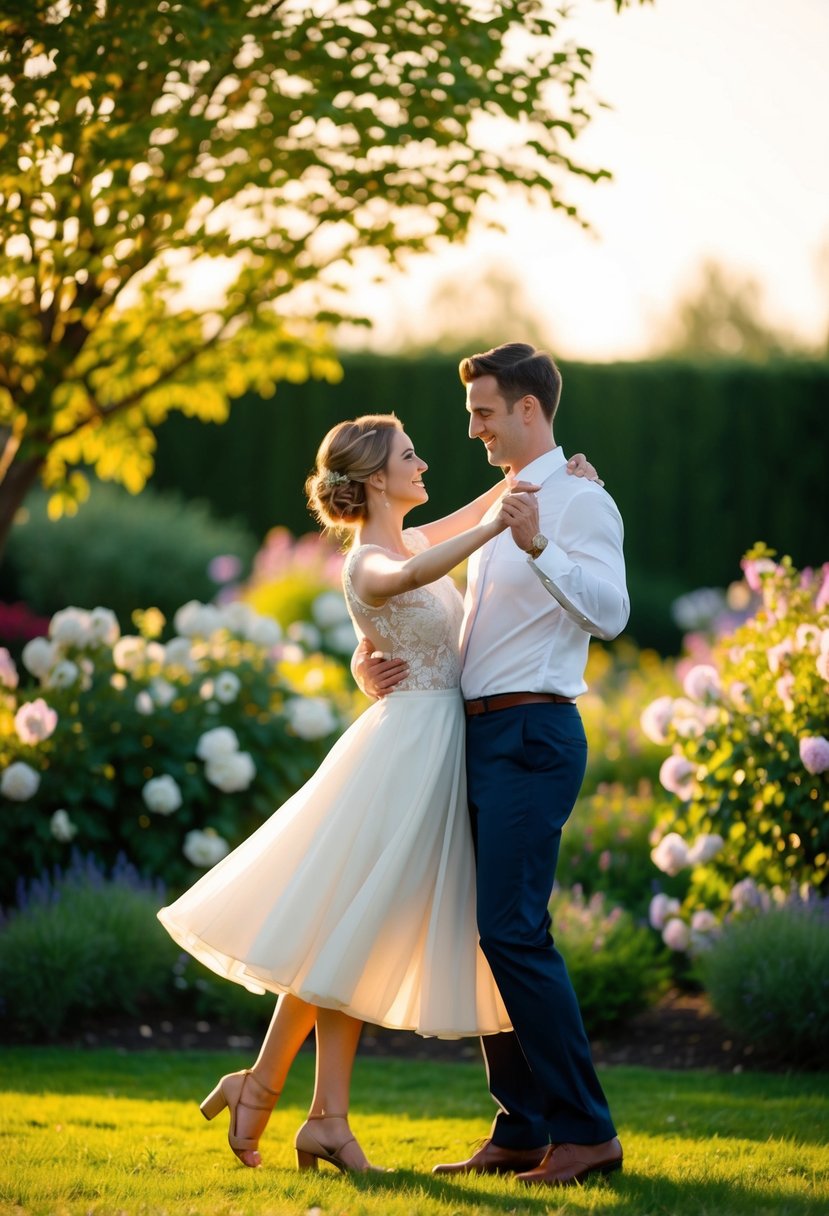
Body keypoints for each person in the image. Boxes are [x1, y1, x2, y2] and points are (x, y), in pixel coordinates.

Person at [157, 412, 597, 1174]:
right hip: (404, 755)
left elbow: (484, 506)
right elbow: (412, 579)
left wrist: (558, 491)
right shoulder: (369, 560)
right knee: (351, 926)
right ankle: (289, 1099)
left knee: (349, 928)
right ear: (372, 480)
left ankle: (287, 1097)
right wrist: (502, 526)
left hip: (435, 748)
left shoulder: (412, 537)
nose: (424, 462)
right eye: (408, 455)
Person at [358, 343, 629, 1188]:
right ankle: (520, 1127)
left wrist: (543, 545)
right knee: (490, 937)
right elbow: (402, 578)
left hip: (532, 735)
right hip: (475, 735)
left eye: (482, 412)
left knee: (512, 930)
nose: (470, 427)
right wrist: (367, 666)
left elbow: (612, 614)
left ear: (527, 410)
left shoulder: (581, 501)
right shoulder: (508, 500)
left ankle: (586, 1133)